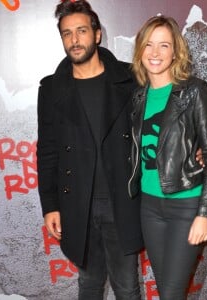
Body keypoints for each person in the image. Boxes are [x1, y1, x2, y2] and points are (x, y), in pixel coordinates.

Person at [36, 1, 143, 299]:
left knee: (127, 287)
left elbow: (157, 126)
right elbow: (47, 151)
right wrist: (50, 205)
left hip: (122, 202)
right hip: (77, 206)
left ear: (96, 35)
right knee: (89, 286)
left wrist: (193, 149)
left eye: (81, 31)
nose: (74, 39)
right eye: (67, 33)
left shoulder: (132, 79)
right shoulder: (51, 89)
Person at [128, 15, 207, 300]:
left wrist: (204, 214)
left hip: (186, 206)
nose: (155, 53)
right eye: (149, 45)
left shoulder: (194, 91)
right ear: (140, 51)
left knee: (171, 295)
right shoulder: (138, 98)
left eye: (164, 45)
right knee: (167, 292)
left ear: (175, 52)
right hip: (149, 207)